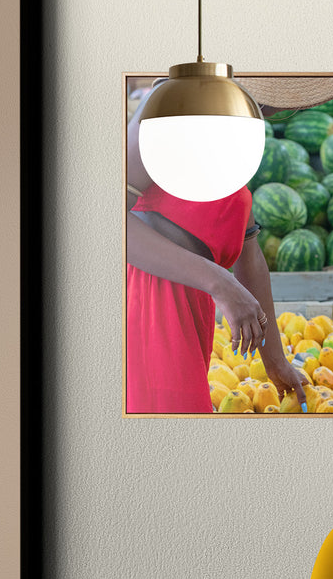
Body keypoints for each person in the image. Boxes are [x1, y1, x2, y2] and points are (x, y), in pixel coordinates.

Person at [124, 80, 307, 413]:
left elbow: (249, 257)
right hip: (150, 305)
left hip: (193, 304)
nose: (298, 106)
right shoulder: (171, 108)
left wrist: (275, 361)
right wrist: (220, 283)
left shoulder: (238, 120)